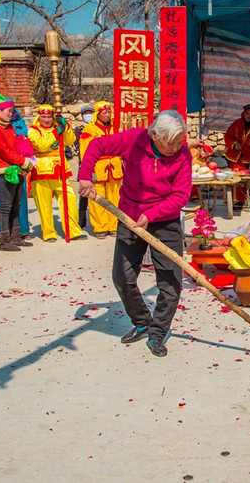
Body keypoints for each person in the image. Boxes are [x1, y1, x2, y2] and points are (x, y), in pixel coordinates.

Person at [78, 110, 192, 358]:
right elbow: (97, 145)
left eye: (179, 142)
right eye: (170, 143)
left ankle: (158, 333)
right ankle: (142, 321)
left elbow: (181, 195)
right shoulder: (134, 139)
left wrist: (152, 215)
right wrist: (85, 174)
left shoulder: (183, 154)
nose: (176, 148)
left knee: (170, 283)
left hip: (164, 220)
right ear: (154, 135)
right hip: (130, 217)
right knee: (122, 277)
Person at [0, 88, 35, 251]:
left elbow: (16, 148)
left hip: (16, 168)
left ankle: (15, 236)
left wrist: (22, 163)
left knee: (16, 204)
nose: (11, 114)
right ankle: (4, 240)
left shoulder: (9, 127)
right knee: (5, 206)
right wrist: (24, 163)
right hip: (3, 171)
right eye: (8, 111)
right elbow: (3, 151)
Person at [27, 104, 86, 242]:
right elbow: (42, 145)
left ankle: (73, 230)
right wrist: (56, 132)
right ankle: (49, 233)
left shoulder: (57, 128)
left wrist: (65, 127)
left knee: (69, 200)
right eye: (44, 117)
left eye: (49, 117)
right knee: (44, 204)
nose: (47, 120)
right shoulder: (33, 131)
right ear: (39, 117)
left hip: (60, 170)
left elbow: (70, 140)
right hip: (42, 170)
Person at [79, 101, 122, 238]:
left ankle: (113, 225)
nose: (107, 115)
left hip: (114, 167)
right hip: (98, 166)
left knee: (115, 198)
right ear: (98, 114)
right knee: (97, 199)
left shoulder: (116, 127)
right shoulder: (89, 129)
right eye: (104, 112)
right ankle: (100, 227)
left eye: (109, 112)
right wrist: (88, 170)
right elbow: (85, 151)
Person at [74, 104, 94, 229]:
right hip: (84, 164)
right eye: (86, 113)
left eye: (90, 112)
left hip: (99, 165)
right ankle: (81, 219)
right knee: (84, 193)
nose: (88, 115)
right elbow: (77, 145)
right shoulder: (79, 130)